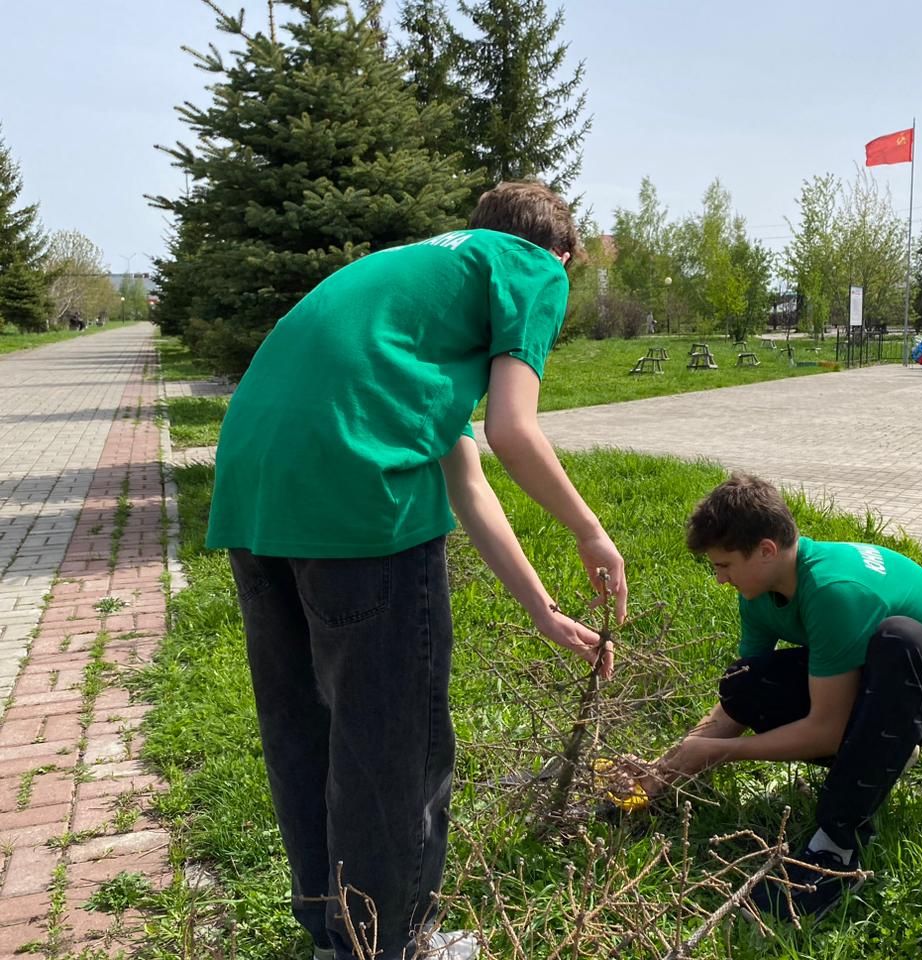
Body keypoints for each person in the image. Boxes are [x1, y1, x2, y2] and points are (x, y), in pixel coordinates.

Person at [205, 181, 627, 960]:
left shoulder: (416, 283)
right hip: (357, 491)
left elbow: (463, 474)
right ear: (560, 255)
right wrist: (590, 531)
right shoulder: (534, 267)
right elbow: (512, 429)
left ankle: (333, 926)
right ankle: (392, 942)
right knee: (394, 746)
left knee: (304, 722)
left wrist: (538, 606)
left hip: (253, 487)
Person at [624, 473, 922, 923]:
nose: (720, 579)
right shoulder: (760, 590)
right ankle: (890, 752)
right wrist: (668, 767)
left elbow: (825, 732)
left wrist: (723, 753)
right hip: (889, 687)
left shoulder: (833, 590)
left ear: (766, 550)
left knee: (897, 640)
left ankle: (835, 850)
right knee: (746, 681)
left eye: (724, 565)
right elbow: (742, 702)